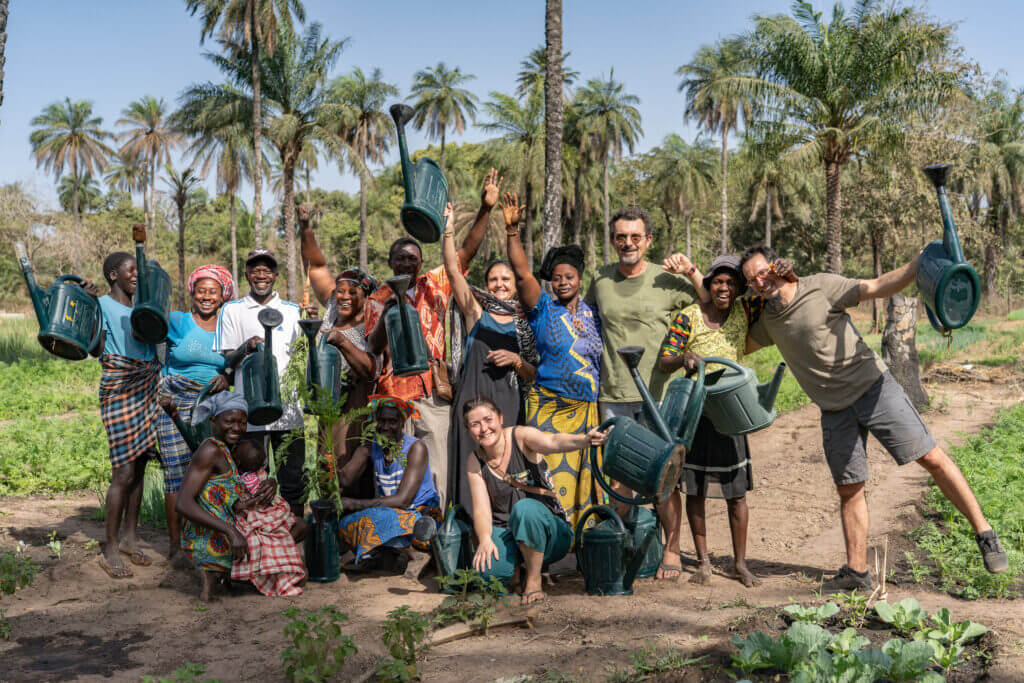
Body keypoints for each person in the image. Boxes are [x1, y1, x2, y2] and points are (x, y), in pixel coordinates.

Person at [739, 245, 1008, 589]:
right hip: (834, 410)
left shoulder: (819, 286)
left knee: (931, 457)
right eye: (751, 280)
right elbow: (739, 342)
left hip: (874, 389)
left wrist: (918, 263)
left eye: (763, 272)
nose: (760, 282)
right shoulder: (767, 320)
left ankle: (985, 533)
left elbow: (876, 286)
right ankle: (857, 573)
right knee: (850, 488)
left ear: (776, 264)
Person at [365, 170, 504, 504]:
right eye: (400, 258)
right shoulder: (377, 299)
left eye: (412, 259)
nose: (406, 263)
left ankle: (438, 542)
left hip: (432, 393)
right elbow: (373, 349)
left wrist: (485, 209)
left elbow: (467, 251)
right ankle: (401, 543)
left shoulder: (435, 284)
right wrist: (389, 310)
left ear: (420, 262)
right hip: (393, 399)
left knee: (439, 468)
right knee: (394, 475)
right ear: (390, 261)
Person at [657, 255, 773, 586]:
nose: (724, 287)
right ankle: (704, 562)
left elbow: (770, 294)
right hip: (696, 413)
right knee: (694, 490)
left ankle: (739, 563)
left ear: (738, 289)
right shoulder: (688, 317)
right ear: (708, 286)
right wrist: (684, 358)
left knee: (736, 493)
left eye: (731, 282)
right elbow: (666, 361)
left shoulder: (745, 310)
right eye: (718, 282)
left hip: (732, 412)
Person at [503, 193, 603, 535]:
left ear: (580, 278)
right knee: (548, 479)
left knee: (583, 483)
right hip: (549, 408)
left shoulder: (593, 314)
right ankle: (547, 546)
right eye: (557, 277)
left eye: (569, 276)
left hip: (586, 410)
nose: (562, 281)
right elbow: (520, 272)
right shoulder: (542, 308)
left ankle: (580, 548)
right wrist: (512, 230)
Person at [442, 202, 538, 513]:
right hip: (472, 401)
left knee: (508, 469)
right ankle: (470, 542)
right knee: (470, 470)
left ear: (516, 285)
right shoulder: (476, 313)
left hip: (509, 405)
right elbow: (453, 270)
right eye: (494, 279)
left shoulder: (528, 323)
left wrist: (515, 360)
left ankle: (509, 538)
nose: (499, 284)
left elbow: (534, 374)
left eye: (506, 280)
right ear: (486, 284)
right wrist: (448, 229)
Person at [464, 397, 607, 605]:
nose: (484, 428)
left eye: (488, 420)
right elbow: (482, 510)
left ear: (500, 418)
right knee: (488, 573)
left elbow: (553, 442)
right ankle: (513, 572)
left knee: (525, 510)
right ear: (468, 430)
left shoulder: (520, 436)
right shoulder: (475, 460)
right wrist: (485, 539)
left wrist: (584, 440)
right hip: (509, 533)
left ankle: (533, 579)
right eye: (475, 424)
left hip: (550, 532)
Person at [584, 207, 707, 422]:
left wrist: (690, 270)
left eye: (635, 237)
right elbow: (583, 321)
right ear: (613, 241)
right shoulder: (600, 279)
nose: (628, 243)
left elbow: (708, 299)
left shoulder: (666, 278)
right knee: (618, 455)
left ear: (648, 240)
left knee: (660, 455)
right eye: (621, 237)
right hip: (612, 396)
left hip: (658, 394)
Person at [215, 249, 307, 518]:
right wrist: (246, 347)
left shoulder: (293, 310)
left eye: (267, 270)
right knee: (251, 478)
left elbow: (303, 353)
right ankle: (257, 535)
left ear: (276, 275)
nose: (261, 275)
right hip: (249, 413)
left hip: (289, 411)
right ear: (247, 274)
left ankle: (294, 535)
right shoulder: (232, 310)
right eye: (255, 270)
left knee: (293, 479)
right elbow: (226, 360)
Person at [87, 252, 161, 580]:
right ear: (113, 274)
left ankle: (131, 538)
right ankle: (111, 546)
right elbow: (95, 349)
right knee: (124, 470)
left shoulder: (143, 307)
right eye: (131, 270)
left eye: (138, 271)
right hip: (119, 384)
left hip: (148, 383)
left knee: (141, 464)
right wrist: (90, 308)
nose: (136, 275)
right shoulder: (101, 304)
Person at [156, 264, 235, 570]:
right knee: (176, 472)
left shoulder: (229, 325)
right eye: (200, 290)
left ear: (223, 295)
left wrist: (227, 377)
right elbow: (149, 338)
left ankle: (212, 543)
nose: (206, 296)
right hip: (173, 400)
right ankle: (177, 547)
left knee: (212, 471)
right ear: (191, 292)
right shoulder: (177, 321)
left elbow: (235, 364)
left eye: (212, 291)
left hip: (212, 405)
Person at [175, 391, 281, 601]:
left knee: (295, 527)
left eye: (242, 422)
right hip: (208, 532)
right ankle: (216, 570)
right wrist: (231, 532)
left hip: (229, 524)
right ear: (213, 420)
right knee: (279, 538)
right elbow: (183, 503)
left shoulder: (230, 450)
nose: (237, 428)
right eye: (229, 421)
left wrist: (270, 482)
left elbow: (247, 483)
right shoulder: (210, 450)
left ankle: (227, 573)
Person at [336, 396, 441, 577]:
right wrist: (330, 466)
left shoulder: (416, 448)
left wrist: (354, 503)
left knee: (376, 517)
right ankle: (385, 555)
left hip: (420, 517)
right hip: (391, 513)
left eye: (392, 421)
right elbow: (344, 480)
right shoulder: (373, 446)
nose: (385, 426)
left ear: (402, 422)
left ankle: (416, 554)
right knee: (346, 522)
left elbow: (403, 500)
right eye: (381, 420)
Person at [230, 439, 308, 597]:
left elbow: (247, 504)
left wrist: (253, 501)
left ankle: (273, 558)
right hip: (263, 520)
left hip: (262, 517)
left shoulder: (250, 478)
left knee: (294, 526)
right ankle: (276, 558)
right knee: (262, 537)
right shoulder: (248, 478)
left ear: (237, 461)